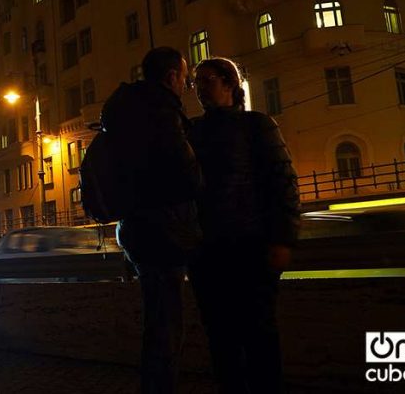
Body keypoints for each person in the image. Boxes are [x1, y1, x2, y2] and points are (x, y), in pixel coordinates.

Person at [188, 57, 300, 394]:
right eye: (195, 83)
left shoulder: (257, 125)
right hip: (208, 251)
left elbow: (283, 184)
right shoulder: (192, 130)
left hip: (250, 246)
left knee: (258, 334)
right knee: (221, 338)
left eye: (207, 80)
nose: (200, 89)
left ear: (230, 84)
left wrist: (282, 240)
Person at [107, 47, 202, 394]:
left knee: (156, 317)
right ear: (172, 77)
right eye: (185, 77)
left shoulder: (121, 111)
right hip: (166, 228)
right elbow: (188, 174)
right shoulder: (162, 112)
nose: (186, 85)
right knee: (167, 322)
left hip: (134, 229)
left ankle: (154, 384)